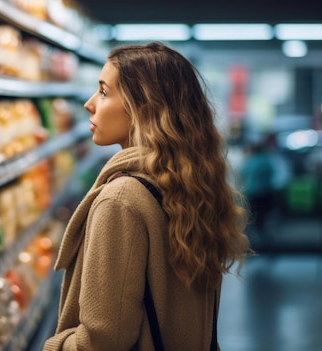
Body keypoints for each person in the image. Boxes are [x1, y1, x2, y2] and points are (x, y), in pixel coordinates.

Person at [43, 42, 251, 350]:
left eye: (103, 92)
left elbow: (104, 339)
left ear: (142, 107)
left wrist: (57, 347)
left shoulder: (121, 200)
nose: (89, 104)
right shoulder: (188, 187)